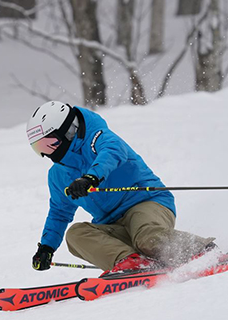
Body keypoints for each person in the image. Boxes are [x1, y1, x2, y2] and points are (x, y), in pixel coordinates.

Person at [26, 101, 215, 275]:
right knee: (76, 235)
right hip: (111, 223)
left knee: (146, 237)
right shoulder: (58, 175)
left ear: (67, 132)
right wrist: (46, 248)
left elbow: (112, 152)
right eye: (38, 148)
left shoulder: (98, 137)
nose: (45, 153)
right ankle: (133, 262)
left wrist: (91, 177)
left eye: (48, 144)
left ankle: (204, 252)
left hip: (145, 203)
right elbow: (59, 212)